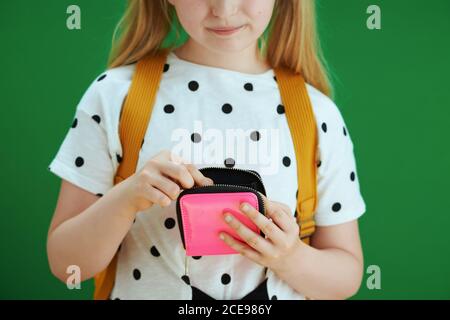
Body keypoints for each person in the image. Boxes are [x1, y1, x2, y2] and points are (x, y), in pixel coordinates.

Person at [47, 0, 367, 300]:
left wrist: (291, 257)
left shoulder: (315, 114)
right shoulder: (115, 96)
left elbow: (346, 275)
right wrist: (127, 198)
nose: (224, 10)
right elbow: (67, 266)